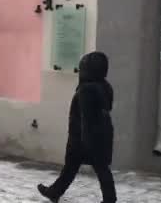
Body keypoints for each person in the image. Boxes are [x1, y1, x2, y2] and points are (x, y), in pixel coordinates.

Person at [37, 52, 117, 203]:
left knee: (82, 167)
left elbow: (86, 117)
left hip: (83, 136)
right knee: (96, 168)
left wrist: (86, 140)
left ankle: (109, 200)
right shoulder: (105, 86)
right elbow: (106, 108)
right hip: (103, 133)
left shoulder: (86, 90)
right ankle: (55, 192)